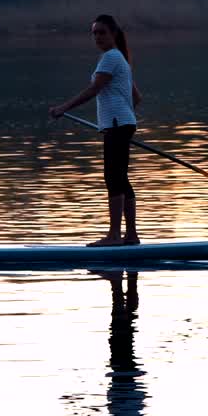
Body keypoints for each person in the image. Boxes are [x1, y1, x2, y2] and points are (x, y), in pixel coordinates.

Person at [50, 14, 143, 247]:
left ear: (113, 34)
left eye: (102, 32)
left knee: (113, 178)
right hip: (122, 123)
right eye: (94, 33)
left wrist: (64, 107)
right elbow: (136, 97)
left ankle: (114, 236)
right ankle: (130, 236)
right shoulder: (120, 58)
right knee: (121, 179)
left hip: (117, 124)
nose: (97, 37)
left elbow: (94, 89)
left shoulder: (110, 57)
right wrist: (124, 113)